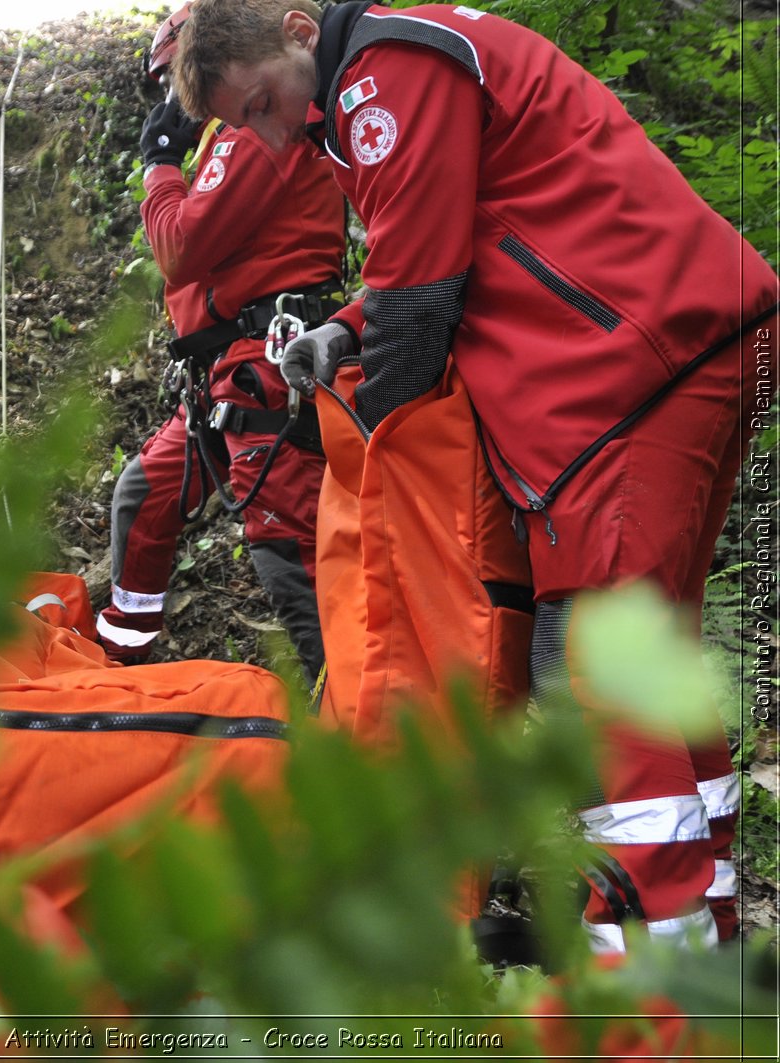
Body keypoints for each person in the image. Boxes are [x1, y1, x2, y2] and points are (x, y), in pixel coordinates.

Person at [173, 0, 778, 951]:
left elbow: (424, 298)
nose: (268, 135)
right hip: (668, 345)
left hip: (624, 372)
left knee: (589, 666)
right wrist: (347, 330)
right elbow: (449, 243)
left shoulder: (382, 74)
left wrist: (368, 438)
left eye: (259, 106)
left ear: (298, 32)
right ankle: (708, 926)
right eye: (242, 124)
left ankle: (656, 981)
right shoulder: (395, 71)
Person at [96, 1, 346, 681]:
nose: (174, 106)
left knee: (289, 545)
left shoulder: (251, 136)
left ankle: (360, 726)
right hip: (225, 371)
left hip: (265, 363)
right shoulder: (236, 138)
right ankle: (120, 665)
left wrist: (158, 166)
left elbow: (181, 247)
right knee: (144, 495)